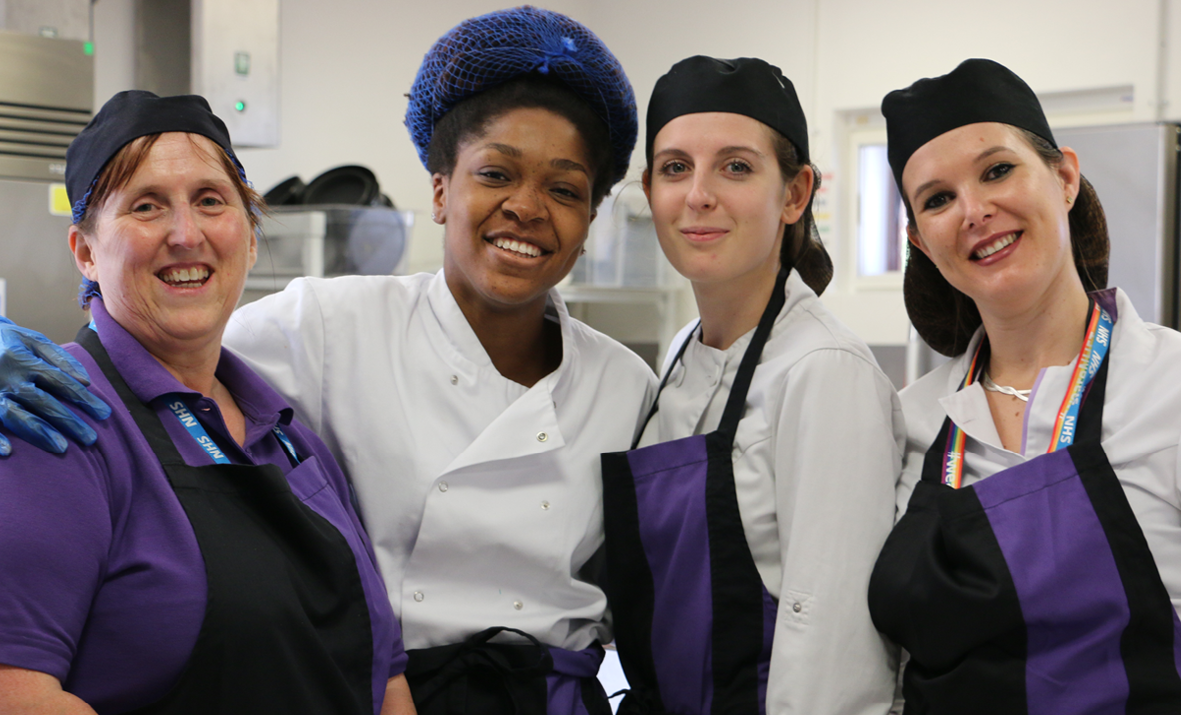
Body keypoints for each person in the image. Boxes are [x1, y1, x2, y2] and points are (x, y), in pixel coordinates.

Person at [0, 8, 655, 714]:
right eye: (495, 173)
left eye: (563, 189)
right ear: (440, 190)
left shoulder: (625, 388)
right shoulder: (322, 328)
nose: (525, 208)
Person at [0, 91, 410, 714]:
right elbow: (16, 693)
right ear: (85, 250)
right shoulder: (53, 419)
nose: (185, 234)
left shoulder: (293, 437)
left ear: (248, 237)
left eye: (211, 201)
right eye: (146, 206)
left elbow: (386, 678)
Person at [867, 58, 1181, 714]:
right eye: (937, 199)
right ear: (920, 241)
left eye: (996, 170)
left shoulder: (1169, 385)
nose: (974, 210)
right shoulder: (906, 424)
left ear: (1063, 176)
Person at [600, 56, 903, 715]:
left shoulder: (822, 370)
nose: (698, 194)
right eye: (675, 168)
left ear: (794, 193)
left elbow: (833, 647)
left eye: (735, 166)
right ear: (649, 189)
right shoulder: (682, 352)